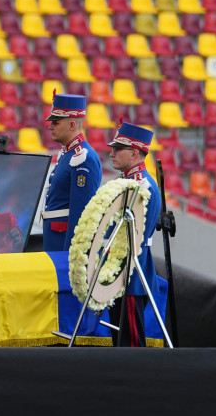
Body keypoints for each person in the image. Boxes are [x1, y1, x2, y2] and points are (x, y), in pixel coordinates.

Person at [106, 121, 160, 347]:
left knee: (131, 344)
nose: (112, 153)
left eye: (118, 149)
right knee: (120, 339)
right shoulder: (127, 182)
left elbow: (134, 238)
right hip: (120, 270)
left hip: (130, 273)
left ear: (135, 153)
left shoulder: (143, 187)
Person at [42, 93, 102, 252]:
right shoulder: (69, 155)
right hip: (55, 238)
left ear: (72, 125)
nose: (50, 127)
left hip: (64, 243)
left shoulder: (83, 158)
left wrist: (72, 253)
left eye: (55, 123)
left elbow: (81, 213)